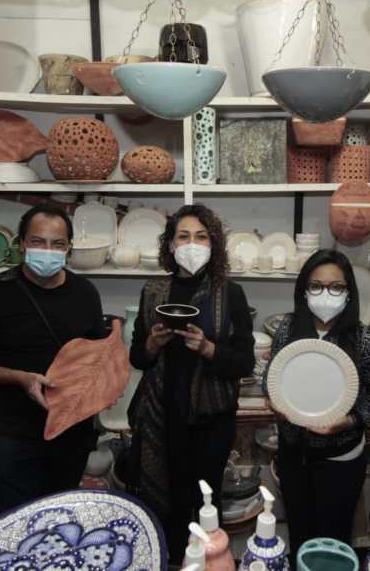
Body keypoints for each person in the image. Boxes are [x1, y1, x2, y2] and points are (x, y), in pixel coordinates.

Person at [0, 205, 107, 513]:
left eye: (57, 244)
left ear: (69, 248)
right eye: (37, 241)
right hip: (16, 435)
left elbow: (96, 357)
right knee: (17, 521)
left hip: (71, 432)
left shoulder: (85, 293)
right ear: (21, 244)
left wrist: (103, 387)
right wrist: (19, 378)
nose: (47, 251)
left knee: (62, 515)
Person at [127, 204, 254, 561]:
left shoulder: (230, 293)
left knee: (204, 502)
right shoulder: (153, 291)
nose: (192, 244)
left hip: (211, 421)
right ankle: (169, 560)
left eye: (201, 236)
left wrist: (208, 348)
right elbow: (137, 357)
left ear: (213, 244)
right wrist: (153, 343)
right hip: (162, 417)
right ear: (170, 245)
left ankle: (208, 561)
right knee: (165, 500)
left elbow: (244, 361)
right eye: (183, 236)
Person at [264, 249, 370, 556]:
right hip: (293, 454)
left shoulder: (366, 340)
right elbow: (272, 377)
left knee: (332, 541)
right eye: (316, 286)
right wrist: (273, 400)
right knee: (299, 533)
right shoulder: (287, 330)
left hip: (341, 459)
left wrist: (350, 421)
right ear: (304, 290)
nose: (325, 294)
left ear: (349, 293)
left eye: (336, 287)